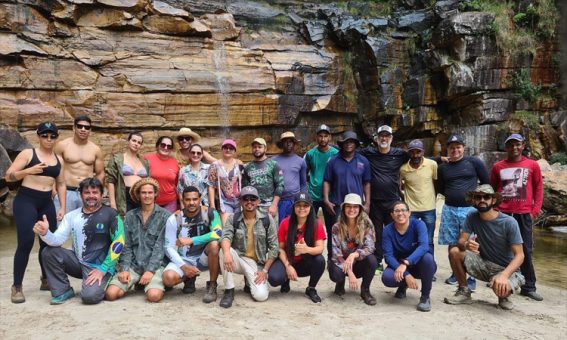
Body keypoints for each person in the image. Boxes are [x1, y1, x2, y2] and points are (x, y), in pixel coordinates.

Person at [33, 177, 125, 305]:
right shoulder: (72, 216)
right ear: (81, 195)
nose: (91, 196)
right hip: (78, 262)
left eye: (95, 192)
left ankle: (107, 281)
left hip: (101, 266)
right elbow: (57, 240)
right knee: (48, 252)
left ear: (101, 194)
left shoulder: (112, 215)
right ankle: (63, 290)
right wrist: (45, 233)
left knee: (89, 297)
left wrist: (103, 268)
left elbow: (119, 243)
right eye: (87, 192)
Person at [6, 122, 66, 303]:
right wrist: (28, 171)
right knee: (25, 242)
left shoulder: (59, 159)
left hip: (46, 202)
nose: (48, 139)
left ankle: (46, 279)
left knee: (48, 243)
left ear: (56, 138)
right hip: (26, 200)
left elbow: (61, 183)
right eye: (45, 135)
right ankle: (17, 286)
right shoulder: (28, 154)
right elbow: (8, 176)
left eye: (52, 136)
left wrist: (63, 207)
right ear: (38, 136)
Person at [444, 184, 525, 310]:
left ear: (493, 200)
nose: (482, 200)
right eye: (478, 197)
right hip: (483, 264)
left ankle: (503, 296)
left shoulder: (509, 222)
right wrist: (466, 244)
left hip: (506, 269)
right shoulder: (472, 216)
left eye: (486, 197)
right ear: (474, 200)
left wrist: (504, 275)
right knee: (455, 251)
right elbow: (460, 241)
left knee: (501, 289)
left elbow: (520, 255)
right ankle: (464, 291)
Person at [490, 133, 544, 301]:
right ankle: (498, 279)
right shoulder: (498, 166)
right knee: (500, 247)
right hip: (502, 213)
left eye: (517, 144)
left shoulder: (532, 165)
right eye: (511, 145)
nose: (514, 147)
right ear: (506, 147)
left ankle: (529, 286)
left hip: (523, 214)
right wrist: (493, 210)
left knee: (525, 249)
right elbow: (492, 189)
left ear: (523, 145)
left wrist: (534, 211)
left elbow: (539, 189)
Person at [105, 178, 170, 303]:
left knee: (153, 296)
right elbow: (126, 245)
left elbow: (160, 247)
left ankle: (157, 283)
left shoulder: (165, 216)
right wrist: (124, 268)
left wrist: (150, 271)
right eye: (143, 192)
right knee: (111, 294)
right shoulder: (130, 216)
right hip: (134, 266)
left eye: (150, 192)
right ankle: (138, 281)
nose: (147, 196)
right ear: (138, 195)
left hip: (156, 266)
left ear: (155, 194)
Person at [437, 134, 489, 290]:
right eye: (452, 147)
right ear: (448, 149)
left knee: (470, 242)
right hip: (450, 209)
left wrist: (484, 206)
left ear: (463, 148)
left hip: (470, 209)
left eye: (458, 147)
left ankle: (471, 277)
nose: (455, 150)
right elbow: (440, 188)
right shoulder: (443, 168)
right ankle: (456, 273)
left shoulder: (474, 162)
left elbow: (486, 182)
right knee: (452, 242)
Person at [219, 186, 279, 308]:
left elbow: (274, 247)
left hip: (257, 264)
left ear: (258, 201)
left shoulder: (267, 219)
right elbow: (225, 237)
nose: (249, 202)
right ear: (240, 201)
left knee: (261, 296)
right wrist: (226, 253)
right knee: (224, 250)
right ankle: (229, 290)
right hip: (239, 258)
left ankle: (249, 281)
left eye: (253, 198)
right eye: (245, 198)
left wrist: (265, 271)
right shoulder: (233, 218)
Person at [162, 186, 223, 303]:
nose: (191, 203)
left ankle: (212, 285)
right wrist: (183, 267)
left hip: (203, 258)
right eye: (188, 200)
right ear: (182, 200)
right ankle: (189, 277)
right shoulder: (174, 218)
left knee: (214, 245)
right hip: (184, 259)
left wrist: (191, 240)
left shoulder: (210, 213)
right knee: (168, 279)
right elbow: (168, 247)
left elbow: (218, 233)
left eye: (195, 199)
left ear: (200, 199)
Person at [360, 125, 409, 269]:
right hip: (375, 201)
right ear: (376, 138)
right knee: (377, 233)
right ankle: (378, 260)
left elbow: (416, 156)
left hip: (393, 201)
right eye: (381, 135)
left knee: (392, 232)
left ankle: (392, 261)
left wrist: (440, 158)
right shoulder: (369, 153)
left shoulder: (400, 154)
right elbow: (350, 151)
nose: (384, 138)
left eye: (387, 136)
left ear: (391, 138)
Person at [268, 192, 326, 303]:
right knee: (274, 279)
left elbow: (320, 248)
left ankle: (311, 288)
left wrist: (306, 249)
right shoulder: (285, 223)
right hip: (288, 260)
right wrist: (288, 266)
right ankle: (285, 280)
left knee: (320, 260)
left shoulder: (316, 224)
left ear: (310, 207)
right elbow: (280, 249)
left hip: (305, 261)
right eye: (298, 205)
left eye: (305, 205)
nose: (302, 208)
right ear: (294, 207)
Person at [381, 201, 437, 312]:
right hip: (399, 266)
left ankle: (425, 297)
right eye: (396, 211)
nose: (400, 213)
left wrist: (406, 263)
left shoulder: (418, 225)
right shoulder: (387, 230)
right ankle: (403, 286)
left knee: (428, 259)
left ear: (409, 213)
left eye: (403, 210)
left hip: (417, 264)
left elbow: (424, 246)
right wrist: (405, 273)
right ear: (392, 215)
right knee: (387, 278)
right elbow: (388, 256)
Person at [323, 131, 371, 256]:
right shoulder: (333, 161)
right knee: (335, 231)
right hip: (338, 203)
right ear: (341, 144)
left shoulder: (363, 161)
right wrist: (326, 200)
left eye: (352, 142)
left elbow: (367, 183)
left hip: (357, 204)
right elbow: (327, 181)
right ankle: (332, 258)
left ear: (355, 144)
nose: (349, 144)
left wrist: (367, 203)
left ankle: (355, 257)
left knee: (358, 230)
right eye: (346, 142)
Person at [328, 193, 378, 305]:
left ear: (360, 209)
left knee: (372, 260)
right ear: (344, 208)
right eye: (348, 206)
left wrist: (354, 254)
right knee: (335, 273)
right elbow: (337, 255)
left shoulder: (366, 224)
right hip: (342, 264)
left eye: (355, 207)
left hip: (358, 263)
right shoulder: (336, 227)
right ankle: (340, 282)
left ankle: (365, 290)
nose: (352, 209)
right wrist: (349, 272)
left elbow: (370, 247)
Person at [54, 115, 104, 213]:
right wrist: (54, 192)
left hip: (87, 192)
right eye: (80, 126)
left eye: (87, 127)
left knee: (85, 225)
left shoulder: (95, 149)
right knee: (62, 225)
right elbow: (53, 169)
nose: (83, 129)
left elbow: (100, 173)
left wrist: (97, 192)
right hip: (66, 191)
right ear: (74, 128)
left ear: (90, 130)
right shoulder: (62, 146)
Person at [399, 139, 438, 258]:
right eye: (412, 152)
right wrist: (406, 199)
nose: (415, 155)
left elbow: (435, 182)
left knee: (429, 240)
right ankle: (412, 265)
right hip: (411, 210)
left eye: (418, 152)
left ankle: (430, 268)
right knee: (411, 239)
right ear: (408, 153)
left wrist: (432, 197)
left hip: (429, 208)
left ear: (423, 152)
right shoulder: (403, 169)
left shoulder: (432, 164)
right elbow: (400, 187)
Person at [304, 124, 338, 235]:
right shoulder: (310, 154)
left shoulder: (335, 154)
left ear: (330, 137)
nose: (322, 139)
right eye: (320, 136)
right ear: (316, 137)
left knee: (331, 228)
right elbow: (304, 172)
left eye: (325, 136)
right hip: (313, 195)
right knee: (311, 227)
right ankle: (311, 251)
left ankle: (331, 252)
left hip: (330, 197)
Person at [105, 131, 150, 216]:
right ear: (128, 141)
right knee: (124, 222)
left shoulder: (144, 162)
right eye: (134, 140)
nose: (136, 144)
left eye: (139, 142)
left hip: (141, 196)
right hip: (124, 195)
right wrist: (113, 204)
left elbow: (148, 181)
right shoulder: (117, 159)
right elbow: (110, 181)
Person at [242, 137, 284, 219]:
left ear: (265, 149)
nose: (257, 149)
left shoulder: (273, 164)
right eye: (254, 147)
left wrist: (274, 205)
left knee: (272, 231)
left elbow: (280, 185)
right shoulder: (248, 167)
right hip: (253, 207)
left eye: (259, 147)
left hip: (269, 206)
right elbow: (246, 188)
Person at [272, 132, 307, 223]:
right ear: (281, 144)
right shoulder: (273, 161)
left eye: (291, 141)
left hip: (294, 200)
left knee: (295, 226)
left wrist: (303, 199)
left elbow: (303, 183)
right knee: (279, 227)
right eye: (285, 141)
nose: (288, 144)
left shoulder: (300, 161)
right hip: (279, 200)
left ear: (294, 143)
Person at [208, 139, 242, 225]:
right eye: (225, 147)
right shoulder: (215, 165)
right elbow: (211, 186)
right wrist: (212, 206)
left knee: (239, 227)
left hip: (239, 201)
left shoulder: (239, 164)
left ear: (234, 151)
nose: (228, 150)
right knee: (226, 227)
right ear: (222, 149)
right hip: (224, 202)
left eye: (231, 148)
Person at [144, 136, 180, 213]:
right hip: (151, 201)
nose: (166, 148)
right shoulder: (147, 159)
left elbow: (176, 183)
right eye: (163, 145)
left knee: (169, 224)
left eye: (169, 146)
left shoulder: (174, 162)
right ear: (157, 146)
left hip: (170, 202)